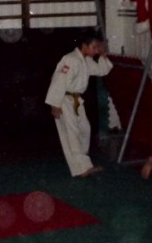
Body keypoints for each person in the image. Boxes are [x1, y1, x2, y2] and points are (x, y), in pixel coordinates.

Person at [45, 29, 113, 177]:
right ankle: (82, 168)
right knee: (72, 133)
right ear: (84, 45)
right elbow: (59, 81)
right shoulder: (70, 59)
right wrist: (55, 105)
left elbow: (102, 70)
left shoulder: (85, 60)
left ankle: (82, 164)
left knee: (85, 129)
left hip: (76, 100)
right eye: (94, 47)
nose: (96, 50)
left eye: (98, 47)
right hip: (64, 99)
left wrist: (103, 55)